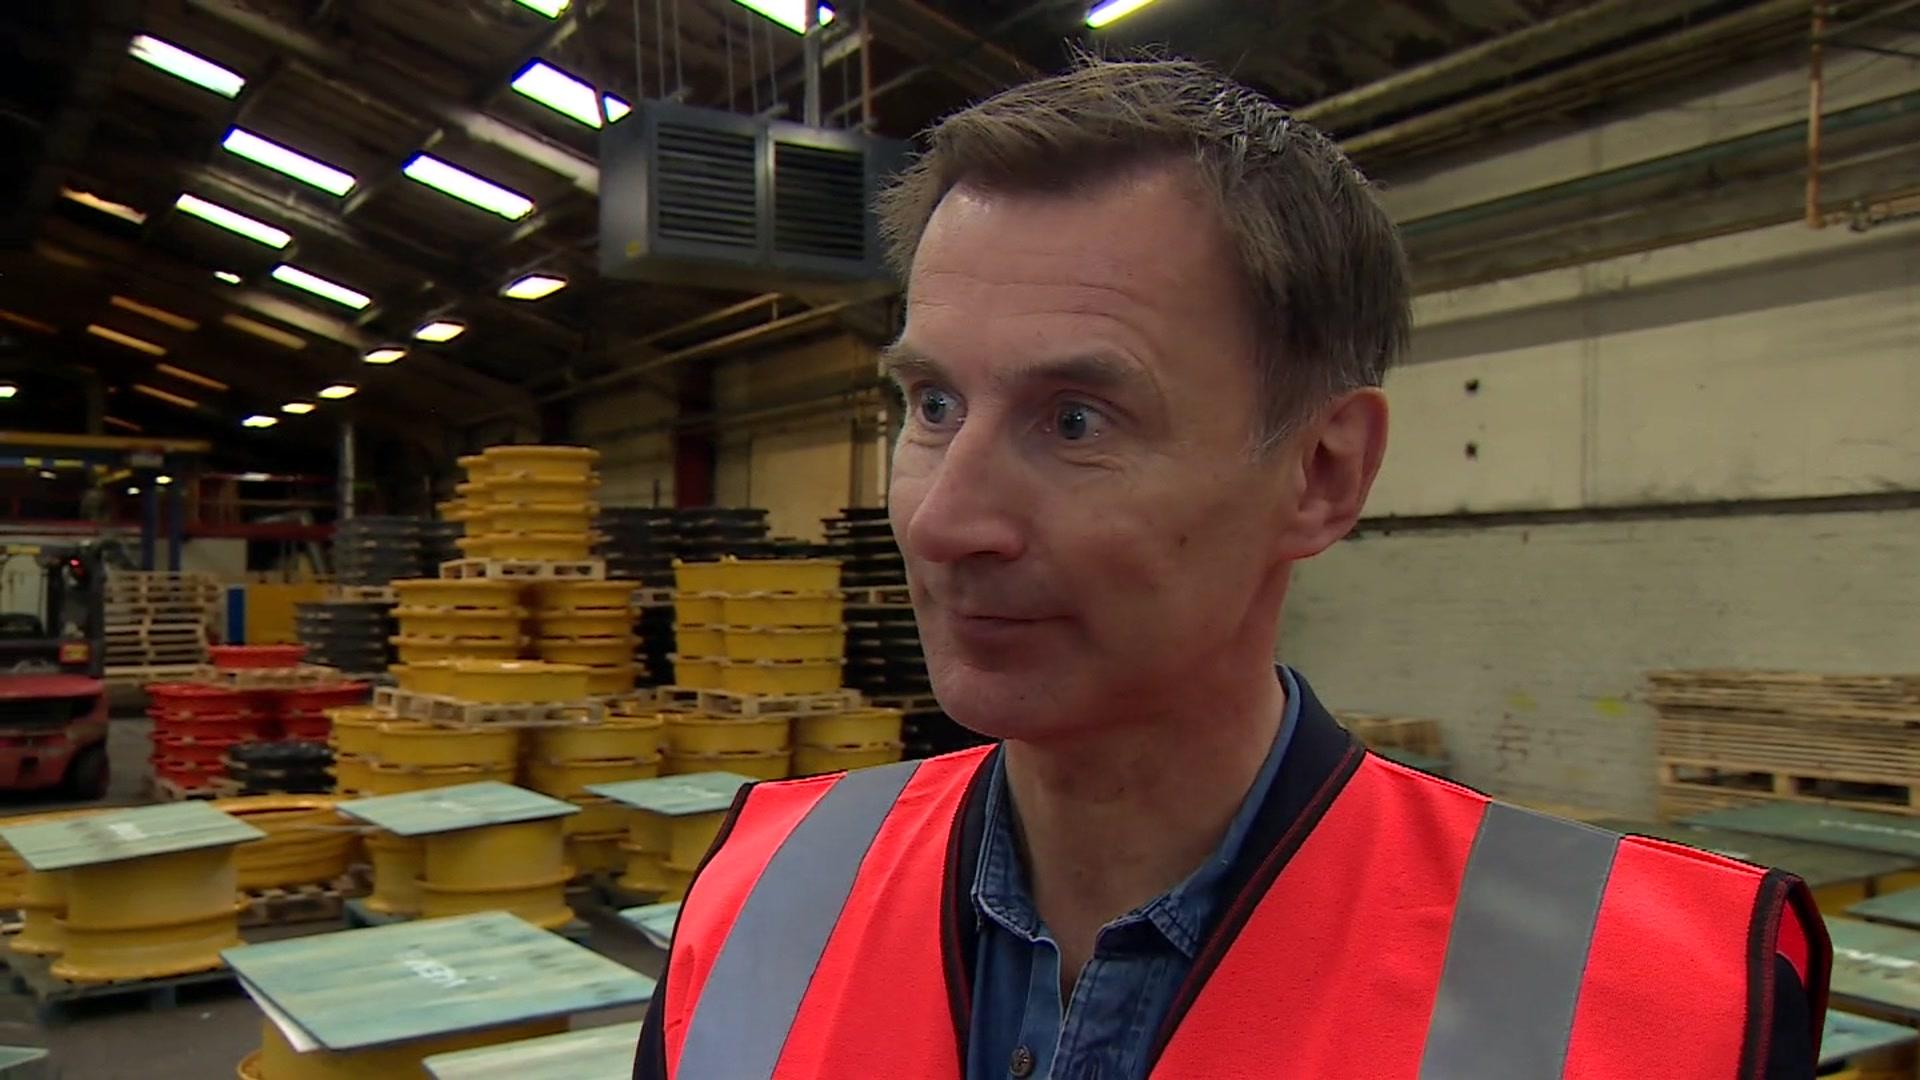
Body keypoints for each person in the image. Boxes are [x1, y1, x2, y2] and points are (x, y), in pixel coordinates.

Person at [634, 56, 1828, 1079]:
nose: (947, 521)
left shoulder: (1647, 998)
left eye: (1076, 421)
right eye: (934, 402)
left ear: (1320, 472)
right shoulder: (759, 895)